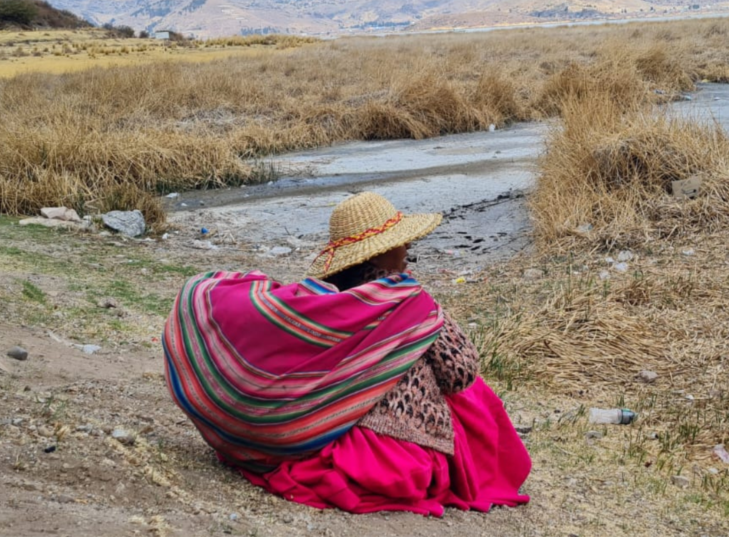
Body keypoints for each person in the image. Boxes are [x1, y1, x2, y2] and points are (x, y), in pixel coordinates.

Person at [162, 192, 530, 516]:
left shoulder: (318, 303)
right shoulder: (411, 303)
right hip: (401, 460)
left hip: (325, 430)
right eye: (404, 244)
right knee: (474, 395)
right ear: (385, 251)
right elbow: (460, 373)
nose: (409, 252)